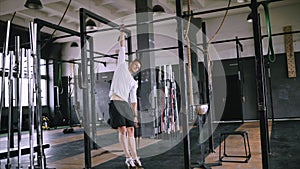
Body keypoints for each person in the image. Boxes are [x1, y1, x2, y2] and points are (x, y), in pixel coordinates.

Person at [108, 29, 142, 168]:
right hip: (115, 101)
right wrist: (122, 33)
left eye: (138, 68)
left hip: (126, 105)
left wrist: (135, 116)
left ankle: (135, 156)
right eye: (135, 65)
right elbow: (122, 48)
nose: (136, 68)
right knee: (122, 129)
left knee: (131, 130)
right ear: (130, 63)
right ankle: (127, 157)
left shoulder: (134, 82)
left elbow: (133, 100)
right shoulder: (121, 65)